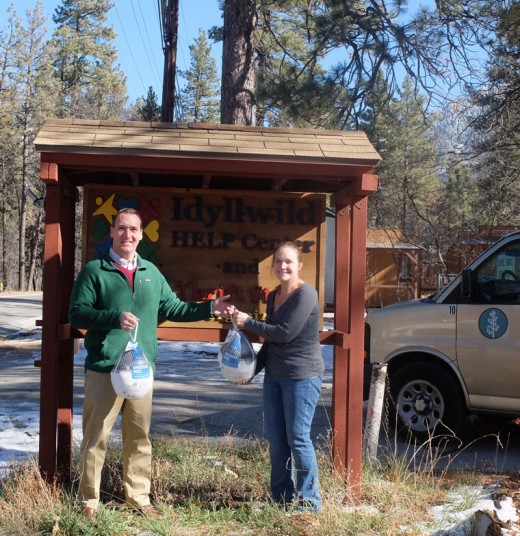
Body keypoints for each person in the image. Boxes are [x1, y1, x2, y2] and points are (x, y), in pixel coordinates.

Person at [69, 208, 231, 519]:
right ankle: (88, 501)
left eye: (133, 229)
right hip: (105, 368)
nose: (127, 235)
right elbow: (77, 313)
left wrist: (210, 307)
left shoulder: (151, 273)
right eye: (121, 228)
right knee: (96, 437)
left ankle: (139, 498)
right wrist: (113, 318)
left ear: (141, 234)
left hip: (141, 371)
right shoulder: (94, 271)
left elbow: (174, 307)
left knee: (139, 438)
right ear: (112, 232)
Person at [231, 242, 324, 512]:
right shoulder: (273, 296)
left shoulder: (306, 294)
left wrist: (248, 322)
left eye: (289, 262)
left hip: (302, 377)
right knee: (277, 439)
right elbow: (271, 341)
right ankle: (281, 497)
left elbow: (284, 332)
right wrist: (251, 371)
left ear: (299, 266)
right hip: (274, 375)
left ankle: (308, 502)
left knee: (298, 438)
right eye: (279, 261)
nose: (283, 266)